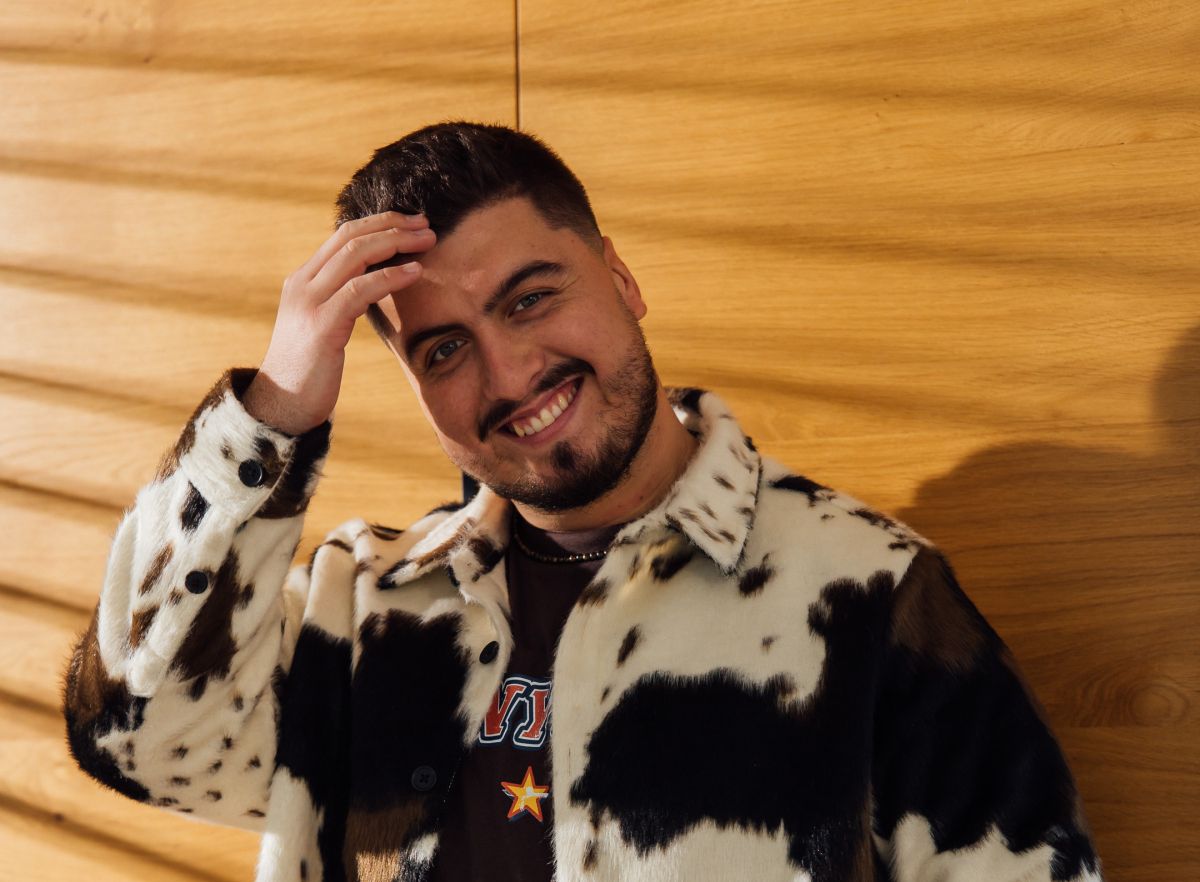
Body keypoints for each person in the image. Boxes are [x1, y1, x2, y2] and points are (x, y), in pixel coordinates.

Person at [62, 122, 1104, 882]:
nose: (510, 374)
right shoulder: (364, 605)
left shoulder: (870, 593)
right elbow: (139, 739)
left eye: (531, 298)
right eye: (444, 350)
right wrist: (272, 415)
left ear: (621, 278)